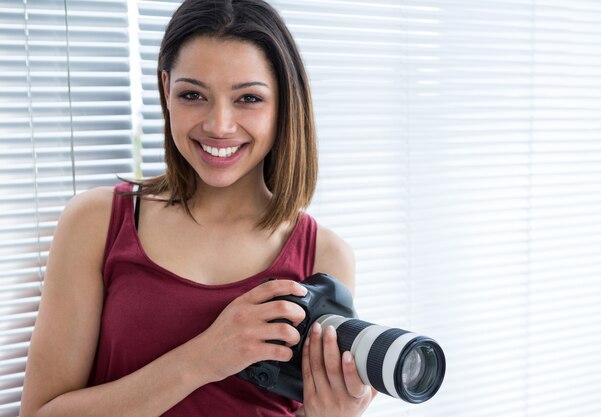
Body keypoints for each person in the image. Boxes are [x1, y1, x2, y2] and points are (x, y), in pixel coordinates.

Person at [20, 0, 376, 416]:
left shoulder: (325, 256)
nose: (218, 125)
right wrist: (205, 357)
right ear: (165, 90)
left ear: (283, 103)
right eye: (193, 95)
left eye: (247, 98)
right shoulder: (97, 222)